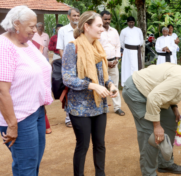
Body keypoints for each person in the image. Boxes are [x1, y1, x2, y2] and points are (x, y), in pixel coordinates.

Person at [123, 63, 181, 176]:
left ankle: (165, 163)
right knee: (150, 134)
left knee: (171, 123)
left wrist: (174, 107)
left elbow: (166, 91)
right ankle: (148, 173)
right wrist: (157, 126)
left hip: (152, 93)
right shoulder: (180, 81)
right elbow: (154, 98)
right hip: (137, 91)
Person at [62, 11, 118, 176]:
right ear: (86, 26)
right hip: (80, 108)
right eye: (99, 25)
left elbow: (102, 77)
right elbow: (67, 78)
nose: (102, 29)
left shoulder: (98, 48)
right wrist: (92, 85)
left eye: (102, 26)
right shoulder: (73, 47)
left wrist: (111, 85)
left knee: (100, 144)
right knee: (83, 145)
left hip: (98, 105)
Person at [0, 5, 53, 176]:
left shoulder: (27, 43)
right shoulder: (4, 47)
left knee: (34, 162)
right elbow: (2, 90)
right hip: (19, 118)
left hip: (36, 111)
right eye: (31, 26)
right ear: (16, 24)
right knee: (26, 167)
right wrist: (12, 125)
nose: (34, 30)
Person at [57, 8, 80, 128]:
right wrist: (67, 64)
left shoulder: (82, 29)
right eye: (74, 15)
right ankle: (68, 118)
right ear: (68, 17)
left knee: (80, 89)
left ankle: (79, 115)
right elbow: (60, 48)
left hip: (81, 66)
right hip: (68, 67)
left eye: (78, 15)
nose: (76, 17)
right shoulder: (63, 30)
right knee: (68, 91)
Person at [99, 10, 125, 116]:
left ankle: (117, 107)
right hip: (100, 63)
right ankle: (101, 108)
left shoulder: (114, 31)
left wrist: (117, 59)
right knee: (101, 85)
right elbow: (95, 49)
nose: (107, 21)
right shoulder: (98, 31)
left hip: (113, 62)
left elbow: (118, 45)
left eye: (109, 19)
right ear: (100, 19)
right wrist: (104, 61)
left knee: (114, 84)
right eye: (105, 19)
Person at [120, 16, 144, 86]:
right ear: (127, 23)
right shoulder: (124, 31)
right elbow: (121, 42)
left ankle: (136, 82)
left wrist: (135, 47)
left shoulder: (138, 30)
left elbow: (141, 40)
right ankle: (126, 82)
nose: (131, 24)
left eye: (132, 22)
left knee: (136, 66)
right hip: (127, 51)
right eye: (130, 22)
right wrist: (127, 49)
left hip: (136, 51)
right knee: (127, 66)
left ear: (134, 22)